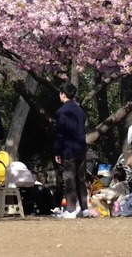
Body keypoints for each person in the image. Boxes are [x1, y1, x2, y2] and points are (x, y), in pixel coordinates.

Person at [52, 83, 88, 219]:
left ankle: (71, 209)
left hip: (68, 148)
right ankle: (85, 209)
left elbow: (59, 134)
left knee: (69, 179)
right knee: (81, 179)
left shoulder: (62, 112)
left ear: (63, 94)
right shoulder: (80, 111)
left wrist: (57, 151)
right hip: (81, 148)